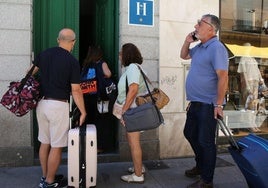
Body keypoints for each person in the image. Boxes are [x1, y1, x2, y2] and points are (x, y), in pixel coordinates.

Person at [32, 28, 87, 188]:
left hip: (42, 104)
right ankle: (50, 182)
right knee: (56, 146)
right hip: (58, 105)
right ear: (73, 42)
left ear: (58, 40)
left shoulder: (44, 54)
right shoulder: (72, 61)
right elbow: (76, 90)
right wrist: (83, 111)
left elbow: (29, 72)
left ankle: (45, 176)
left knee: (44, 142)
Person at [180, 14, 229, 188]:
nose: (196, 25)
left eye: (200, 23)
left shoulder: (216, 47)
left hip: (209, 105)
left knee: (206, 141)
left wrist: (218, 104)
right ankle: (201, 166)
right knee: (190, 133)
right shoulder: (201, 46)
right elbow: (184, 55)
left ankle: (207, 180)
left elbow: (223, 77)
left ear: (211, 28)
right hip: (196, 102)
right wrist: (187, 40)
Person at [116, 43, 147, 183]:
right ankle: (138, 167)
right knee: (132, 141)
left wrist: (124, 109)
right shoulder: (131, 68)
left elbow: (133, 89)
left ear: (126, 55)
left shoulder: (133, 68)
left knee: (134, 143)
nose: (119, 56)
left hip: (132, 109)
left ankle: (138, 175)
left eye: (121, 53)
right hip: (132, 108)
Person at [81, 46, 114, 153]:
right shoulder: (102, 63)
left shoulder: (86, 64)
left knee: (88, 121)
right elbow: (108, 74)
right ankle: (98, 147)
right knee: (100, 122)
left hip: (86, 97)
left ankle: (87, 144)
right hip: (99, 97)